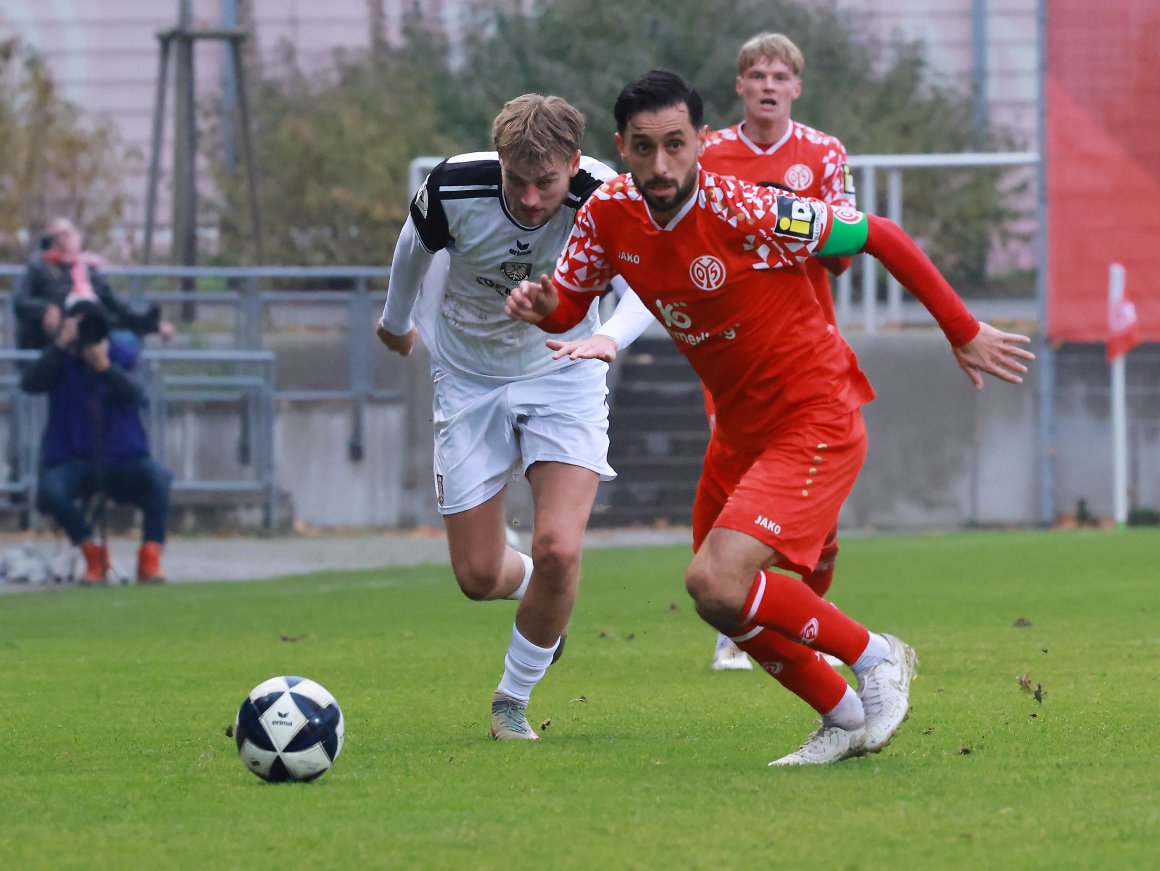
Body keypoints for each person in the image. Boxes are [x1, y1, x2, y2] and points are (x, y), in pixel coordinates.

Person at [506, 71, 1033, 764]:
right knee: (720, 599)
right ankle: (842, 716)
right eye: (643, 148)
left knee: (714, 578)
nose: (660, 165)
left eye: (674, 144)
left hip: (813, 415)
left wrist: (961, 329)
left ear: (700, 141)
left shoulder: (745, 208)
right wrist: (547, 307)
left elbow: (879, 234)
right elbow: (572, 301)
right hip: (738, 432)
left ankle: (877, 657)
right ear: (621, 148)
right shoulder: (607, 212)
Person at [375, 94, 654, 740]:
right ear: (499, 162)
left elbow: (646, 284)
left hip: (563, 367)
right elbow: (411, 252)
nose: (531, 200)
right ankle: (540, 592)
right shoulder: (453, 185)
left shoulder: (606, 197)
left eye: (546, 183)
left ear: (575, 163)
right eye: (518, 182)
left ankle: (512, 698)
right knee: (477, 576)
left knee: (559, 546)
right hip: (468, 376)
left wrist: (609, 337)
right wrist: (395, 325)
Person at [697, 32, 857, 671]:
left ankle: (791, 620)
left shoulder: (822, 153)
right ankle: (735, 617)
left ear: (796, 86)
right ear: (739, 85)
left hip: (809, 350)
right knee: (742, 483)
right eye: (756, 74)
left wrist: (778, 220)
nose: (767, 85)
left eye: (779, 75)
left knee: (820, 528)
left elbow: (844, 251)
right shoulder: (708, 154)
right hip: (732, 351)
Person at [20, 298, 172, 585]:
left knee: (159, 480)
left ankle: (150, 557)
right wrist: (60, 345)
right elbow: (29, 384)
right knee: (52, 490)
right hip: (73, 457)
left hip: (123, 457)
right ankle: (92, 552)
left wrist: (105, 367)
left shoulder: (122, 354)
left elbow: (136, 395)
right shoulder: (61, 359)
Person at [14, 217, 174, 352]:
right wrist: (46, 309)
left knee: (127, 345)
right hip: (57, 339)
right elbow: (20, 301)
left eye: (68, 234)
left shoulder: (88, 270)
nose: (65, 239)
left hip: (94, 334)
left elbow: (117, 307)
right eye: (59, 235)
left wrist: (152, 326)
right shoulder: (40, 267)